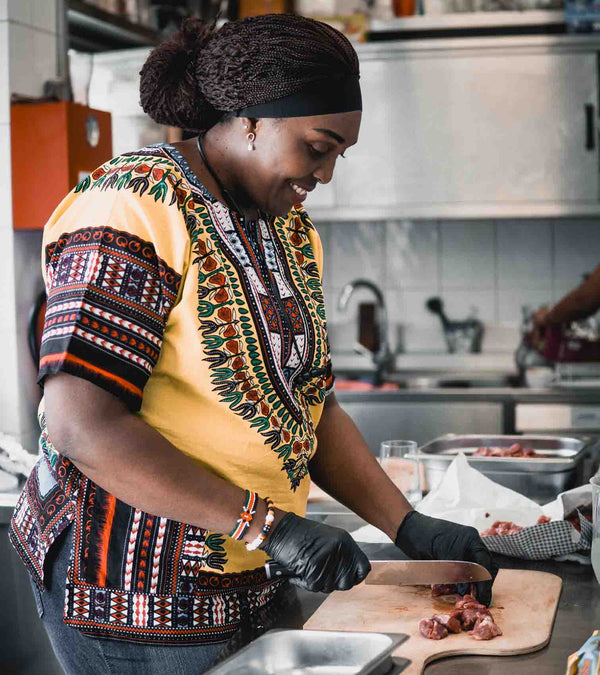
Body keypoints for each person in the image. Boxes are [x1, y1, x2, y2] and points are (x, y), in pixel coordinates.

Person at [9, 14, 497, 675]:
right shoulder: (132, 205)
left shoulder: (289, 231)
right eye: (317, 147)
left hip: (256, 581)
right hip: (131, 597)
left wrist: (405, 525)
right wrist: (269, 527)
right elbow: (82, 424)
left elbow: (310, 408)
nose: (323, 175)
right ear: (247, 118)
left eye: (337, 155)